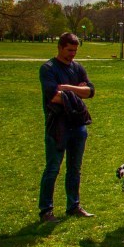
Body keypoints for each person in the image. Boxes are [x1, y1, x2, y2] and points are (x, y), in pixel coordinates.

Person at [38, 32, 96, 222]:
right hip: (58, 125)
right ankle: (46, 210)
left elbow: (90, 91)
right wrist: (74, 91)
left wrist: (66, 89)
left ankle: (73, 206)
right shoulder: (48, 69)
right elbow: (53, 96)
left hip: (78, 125)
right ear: (60, 47)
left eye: (75, 51)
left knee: (75, 169)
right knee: (53, 168)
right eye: (69, 50)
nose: (72, 54)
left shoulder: (77, 67)